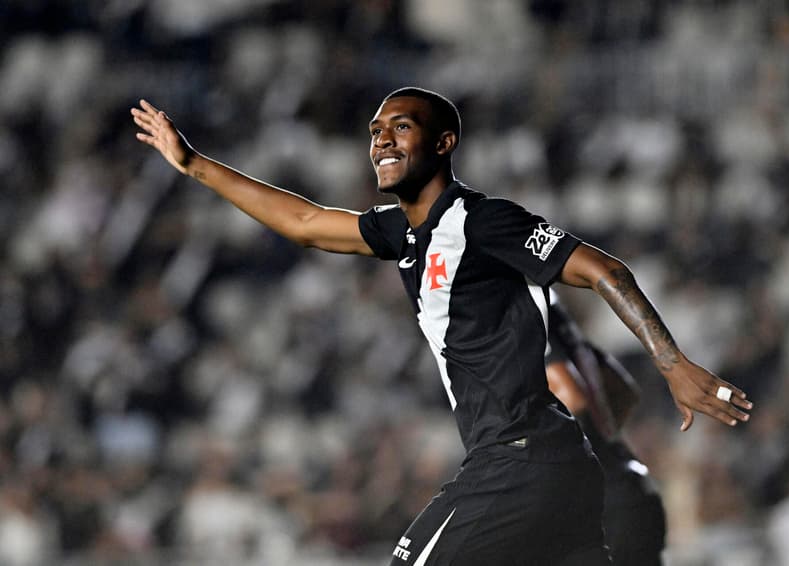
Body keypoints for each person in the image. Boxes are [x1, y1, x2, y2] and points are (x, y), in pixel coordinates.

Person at [131, 87, 752, 565]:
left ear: (445, 142)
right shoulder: (399, 231)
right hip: (565, 471)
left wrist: (673, 364)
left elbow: (603, 269)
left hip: (517, 464)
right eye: (375, 131)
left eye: (401, 127)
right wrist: (193, 165)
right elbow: (305, 222)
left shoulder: (482, 222)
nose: (382, 141)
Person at [545, 290, 666, 566]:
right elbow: (624, 392)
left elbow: (572, 399)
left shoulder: (535, 335)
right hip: (629, 484)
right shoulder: (575, 339)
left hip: (604, 508)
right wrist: (608, 440)